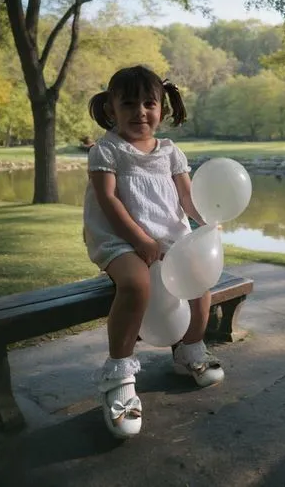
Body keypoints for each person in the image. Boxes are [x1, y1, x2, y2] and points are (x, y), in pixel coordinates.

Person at [83, 65, 224, 439]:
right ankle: (119, 375)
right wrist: (141, 240)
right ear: (111, 109)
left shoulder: (170, 152)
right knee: (136, 284)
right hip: (119, 237)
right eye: (128, 103)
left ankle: (190, 348)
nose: (140, 111)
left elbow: (187, 198)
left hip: (169, 237)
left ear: (162, 108)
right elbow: (108, 200)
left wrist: (207, 219)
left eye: (149, 103)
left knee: (201, 279)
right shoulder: (107, 149)